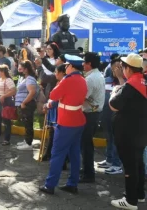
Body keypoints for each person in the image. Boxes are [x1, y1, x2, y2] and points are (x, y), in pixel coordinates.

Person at [39, 54, 87, 195]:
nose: (65, 67)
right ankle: (73, 183)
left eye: (66, 65)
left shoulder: (67, 80)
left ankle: (50, 185)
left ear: (71, 66)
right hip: (78, 120)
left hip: (67, 122)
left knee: (57, 153)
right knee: (74, 153)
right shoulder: (82, 80)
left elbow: (53, 95)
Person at [109, 53, 147, 210]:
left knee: (130, 166)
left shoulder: (130, 86)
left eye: (123, 67)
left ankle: (130, 200)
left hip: (128, 133)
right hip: (141, 131)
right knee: (138, 163)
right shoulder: (143, 81)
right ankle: (139, 194)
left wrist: (115, 90)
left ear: (128, 69)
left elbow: (113, 104)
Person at [79, 52, 105, 184]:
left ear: (89, 64)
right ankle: (86, 170)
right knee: (86, 144)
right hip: (93, 114)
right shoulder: (97, 75)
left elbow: (81, 97)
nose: (82, 64)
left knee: (86, 144)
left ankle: (89, 174)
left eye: (84, 62)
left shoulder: (90, 79)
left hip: (90, 114)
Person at [97, 57, 125, 175]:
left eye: (120, 67)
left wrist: (120, 78)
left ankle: (116, 164)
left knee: (116, 139)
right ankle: (109, 159)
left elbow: (124, 94)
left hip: (118, 117)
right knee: (109, 137)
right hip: (105, 114)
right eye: (115, 67)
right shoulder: (106, 80)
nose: (117, 69)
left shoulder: (125, 81)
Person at [15, 61, 38, 150]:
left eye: (23, 68)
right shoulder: (27, 78)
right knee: (26, 123)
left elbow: (32, 92)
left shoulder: (30, 79)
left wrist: (24, 102)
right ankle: (26, 140)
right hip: (25, 104)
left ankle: (28, 144)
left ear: (26, 69)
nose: (22, 70)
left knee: (28, 124)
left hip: (27, 105)